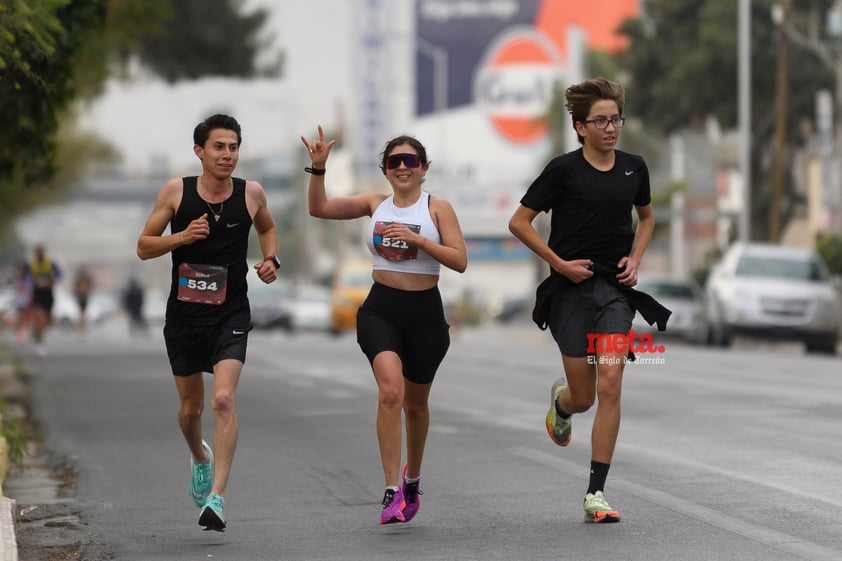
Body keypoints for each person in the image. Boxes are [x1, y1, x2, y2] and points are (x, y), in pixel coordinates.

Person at [508, 77, 662, 523]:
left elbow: (647, 218)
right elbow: (519, 222)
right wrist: (557, 263)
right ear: (580, 127)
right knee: (585, 396)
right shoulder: (563, 170)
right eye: (601, 121)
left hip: (614, 290)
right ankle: (562, 404)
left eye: (616, 119)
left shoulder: (635, 167)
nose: (611, 128)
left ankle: (596, 492)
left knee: (611, 381)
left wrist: (635, 258)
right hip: (569, 290)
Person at [301, 126, 467, 525]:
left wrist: (421, 242)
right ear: (385, 169)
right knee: (391, 391)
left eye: (411, 161)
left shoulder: (437, 208)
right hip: (381, 310)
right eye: (395, 162)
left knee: (416, 404)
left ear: (424, 168)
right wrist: (318, 169)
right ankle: (391, 488)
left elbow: (459, 261)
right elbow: (319, 209)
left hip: (425, 313)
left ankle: (413, 478)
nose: (403, 168)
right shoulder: (375, 204)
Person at [136, 114, 280, 532]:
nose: (228, 155)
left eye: (234, 147)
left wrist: (271, 260)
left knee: (222, 401)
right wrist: (181, 237)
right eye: (219, 147)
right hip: (184, 316)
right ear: (199, 151)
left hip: (230, 314)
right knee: (190, 408)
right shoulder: (175, 192)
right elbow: (144, 247)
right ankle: (200, 458)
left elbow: (269, 229)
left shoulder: (250, 193)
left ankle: (216, 498)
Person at [24, 245, 62, 357]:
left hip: (48, 294)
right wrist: (31, 283)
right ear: (35, 253)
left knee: (47, 319)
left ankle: (39, 332)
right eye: (37, 252)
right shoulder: (30, 264)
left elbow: (60, 275)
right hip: (37, 294)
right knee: (39, 318)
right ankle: (40, 345)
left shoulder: (50, 263)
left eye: (41, 252)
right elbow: (25, 278)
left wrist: (53, 282)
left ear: (44, 253)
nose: (39, 254)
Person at [72, 265, 94, 331]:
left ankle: (81, 323)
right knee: (82, 311)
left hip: (84, 295)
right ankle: (81, 323)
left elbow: (90, 286)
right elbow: (75, 287)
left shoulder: (85, 278)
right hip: (81, 295)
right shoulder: (80, 278)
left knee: (82, 311)